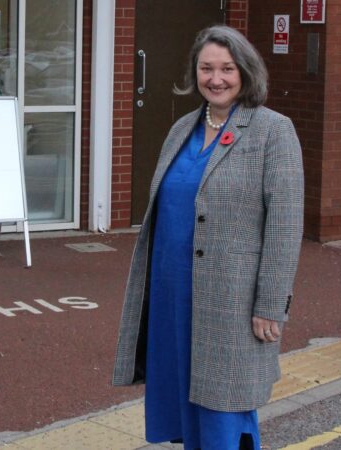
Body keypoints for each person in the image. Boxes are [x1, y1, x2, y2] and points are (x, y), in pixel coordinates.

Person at [113, 25, 304, 450]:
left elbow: (286, 227)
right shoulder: (182, 129)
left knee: (224, 407)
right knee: (184, 401)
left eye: (227, 69)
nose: (215, 79)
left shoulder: (273, 131)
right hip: (172, 296)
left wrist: (270, 305)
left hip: (231, 302)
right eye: (206, 68)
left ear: (246, 72)